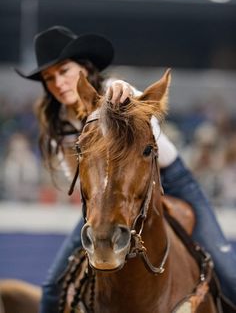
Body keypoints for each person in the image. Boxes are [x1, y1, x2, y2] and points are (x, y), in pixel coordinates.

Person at [16, 25, 236, 312]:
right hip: (107, 196)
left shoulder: (114, 92)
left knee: (229, 274)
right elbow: (82, 183)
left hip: (172, 178)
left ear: (84, 69)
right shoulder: (59, 128)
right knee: (50, 289)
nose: (58, 82)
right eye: (49, 78)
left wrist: (124, 93)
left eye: (64, 71)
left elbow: (135, 106)